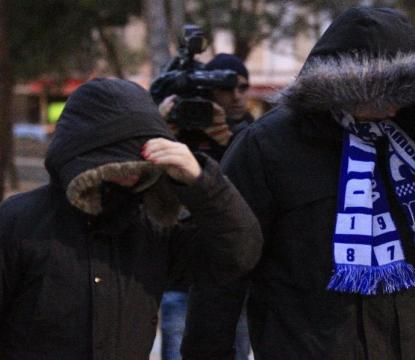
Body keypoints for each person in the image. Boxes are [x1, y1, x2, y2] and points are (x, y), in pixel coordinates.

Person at [183, 7, 415, 360]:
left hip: (414, 343)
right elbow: (225, 261)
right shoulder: (267, 145)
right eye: (381, 92)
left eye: (405, 91)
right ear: (341, 86)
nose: (393, 106)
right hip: (309, 344)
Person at [0, 78, 262, 359]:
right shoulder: (19, 221)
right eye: (122, 160)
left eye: (143, 163)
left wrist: (202, 181)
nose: (134, 172)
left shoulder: (154, 227)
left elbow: (239, 253)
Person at [157, 54, 255, 360]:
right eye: (228, 89)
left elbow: (246, 199)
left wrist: (225, 140)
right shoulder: (176, 131)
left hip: (234, 278)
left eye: (243, 88)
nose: (237, 97)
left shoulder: (252, 136)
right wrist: (159, 128)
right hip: (181, 279)